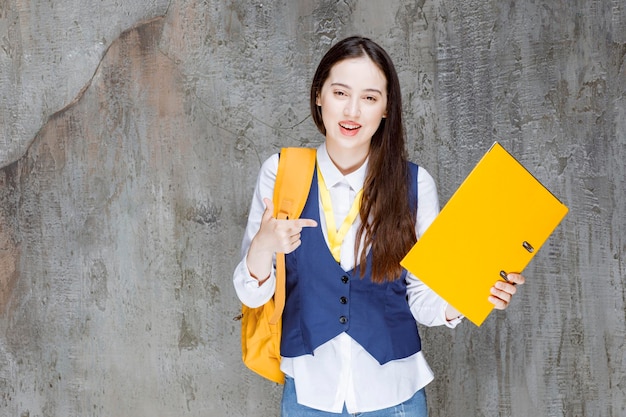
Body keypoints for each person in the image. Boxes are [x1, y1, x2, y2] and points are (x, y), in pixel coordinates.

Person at [233, 36, 525, 417]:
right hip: (308, 396)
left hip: (396, 398)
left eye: (370, 97)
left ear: (387, 108)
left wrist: (474, 293)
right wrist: (261, 247)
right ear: (319, 95)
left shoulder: (416, 184)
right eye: (340, 92)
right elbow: (253, 297)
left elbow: (422, 300)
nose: (352, 110)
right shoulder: (281, 173)